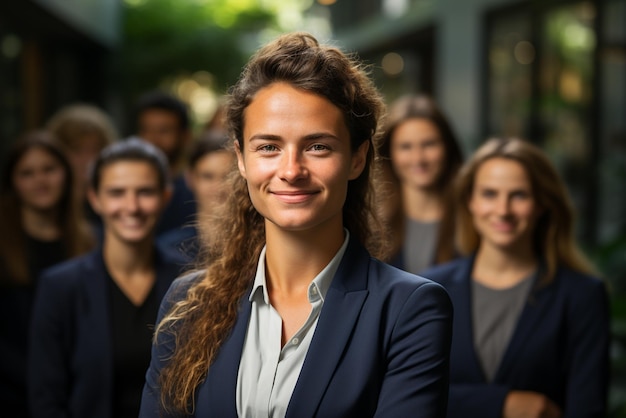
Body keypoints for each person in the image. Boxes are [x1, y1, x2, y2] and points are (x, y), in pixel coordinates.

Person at [139, 32, 453, 418]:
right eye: (268, 147)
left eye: (317, 146)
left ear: (357, 158)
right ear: (240, 157)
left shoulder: (409, 309)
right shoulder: (189, 302)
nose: (291, 171)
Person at [422, 138, 610, 418]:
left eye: (519, 195)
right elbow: (405, 398)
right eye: (489, 194)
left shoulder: (582, 295)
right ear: (470, 201)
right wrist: (501, 403)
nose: (503, 210)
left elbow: (588, 409)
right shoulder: (428, 290)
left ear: (542, 204)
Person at [28, 138, 187, 418]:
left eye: (145, 192)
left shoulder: (193, 282)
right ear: (95, 198)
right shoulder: (61, 287)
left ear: (165, 197)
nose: (132, 206)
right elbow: (46, 398)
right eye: (116, 192)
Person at [0, 131, 94, 418]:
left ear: (66, 174)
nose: (40, 181)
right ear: (13, 182)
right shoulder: (3, 249)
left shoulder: (93, 242)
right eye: (27, 173)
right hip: (10, 393)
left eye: (49, 170)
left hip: (79, 393)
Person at [378, 94, 463, 274]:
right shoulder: (372, 225)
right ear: (389, 153)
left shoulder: (473, 219)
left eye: (429, 144)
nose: (418, 159)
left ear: (448, 147)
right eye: (405, 147)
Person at [158, 129, 235, 262]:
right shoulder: (166, 248)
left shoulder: (260, 246)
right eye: (207, 177)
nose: (218, 188)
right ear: (190, 178)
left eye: (228, 177)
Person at [133, 91, 196, 236]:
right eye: (146, 130)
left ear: (185, 136)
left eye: (163, 131)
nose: (152, 139)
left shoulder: (195, 189)